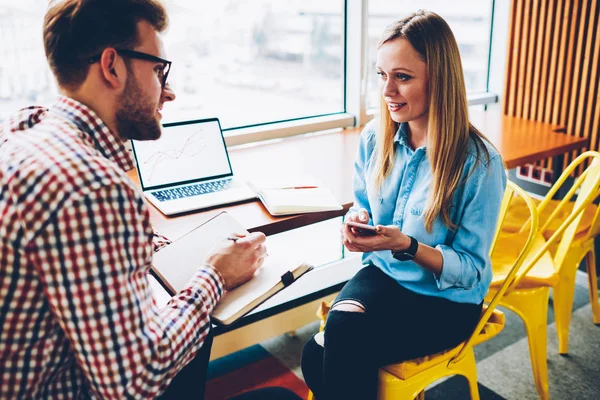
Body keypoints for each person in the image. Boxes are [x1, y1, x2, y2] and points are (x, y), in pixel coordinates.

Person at [0, 1, 300, 399]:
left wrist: (145, 245)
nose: (170, 91)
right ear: (112, 66)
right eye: (160, 70)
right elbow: (132, 383)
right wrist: (217, 274)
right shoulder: (94, 188)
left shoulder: (24, 128)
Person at [301, 10, 507, 400]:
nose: (387, 92)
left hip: (446, 301)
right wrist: (356, 222)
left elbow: (472, 270)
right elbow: (361, 206)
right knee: (317, 354)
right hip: (383, 275)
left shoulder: (480, 165)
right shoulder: (373, 138)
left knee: (330, 349)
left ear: (440, 80)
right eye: (382, 75)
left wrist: (407, 247)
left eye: (403, 77)